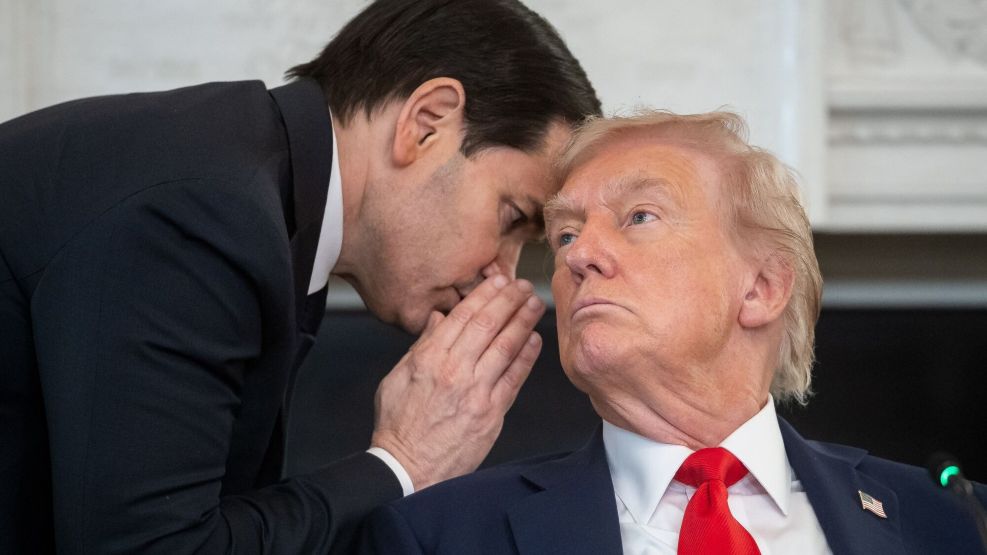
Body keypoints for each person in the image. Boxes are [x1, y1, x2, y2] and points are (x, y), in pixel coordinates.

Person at [0, 0, 601, 552]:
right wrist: (403, 461)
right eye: (511, 218)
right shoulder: (205, 213)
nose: (501, 275)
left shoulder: (248, 185)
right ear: (427, 122)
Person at [362, 110, 987, 554]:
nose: (578, 257)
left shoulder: (953, 522)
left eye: (639, 216)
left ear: (761, 288)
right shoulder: (444, 535)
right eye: (566, 235)